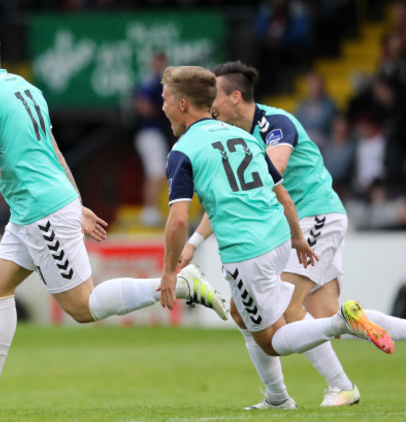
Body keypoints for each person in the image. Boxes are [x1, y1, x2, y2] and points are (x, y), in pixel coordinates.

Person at [0, 14, 228, 411]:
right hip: (38, 208)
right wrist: (77, 201)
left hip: (40, 211)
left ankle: (185, 283)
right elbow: (52, 147)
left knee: (82, 307)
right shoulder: (25, 88)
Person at [161, 65, 394, 410]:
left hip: (312, 215)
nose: (213, 107)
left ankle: (338, 386)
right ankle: (281, 394)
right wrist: (195, 244)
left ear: (235, 97)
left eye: (218, 99)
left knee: (288, 314)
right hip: (286, 226)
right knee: (272, 313)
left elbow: (265, 181)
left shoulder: (274, 125)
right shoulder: (236, 138)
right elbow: (250, 191)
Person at [133, 51, 169, 226]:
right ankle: (149, 210)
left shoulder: (156, 81)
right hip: (149, 132)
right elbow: (142, 105)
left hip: (153, 132)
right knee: (156, 172)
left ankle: (151, 209)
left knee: (156, 172)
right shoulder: (151, 82)